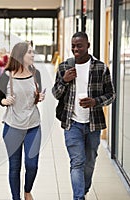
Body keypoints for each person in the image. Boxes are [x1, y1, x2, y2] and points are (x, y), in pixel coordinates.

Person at [52, 32, 116, 200]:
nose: (75, 49)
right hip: (72, 123)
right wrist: (64, 81)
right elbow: (56, 94)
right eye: (73, 46)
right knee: (77, 162)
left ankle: (84, 189)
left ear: (88, 45)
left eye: (79, 45)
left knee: (89, 162)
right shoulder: (65, 67)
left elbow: (111, 94)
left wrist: (95, 101)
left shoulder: (100, 68)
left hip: (93, 124)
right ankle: (78, 197)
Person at [0, 42, 45, 200]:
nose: (32, 55)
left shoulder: (36, 73)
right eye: (29, 52)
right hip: (12, 127)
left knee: (32, 165)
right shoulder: (6, 76)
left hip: (33, 126)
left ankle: (27, 190)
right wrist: (5, 101)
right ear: (20, 55)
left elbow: (35, 95)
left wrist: (39, 97)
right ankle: (16, 198)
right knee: (14, 168)